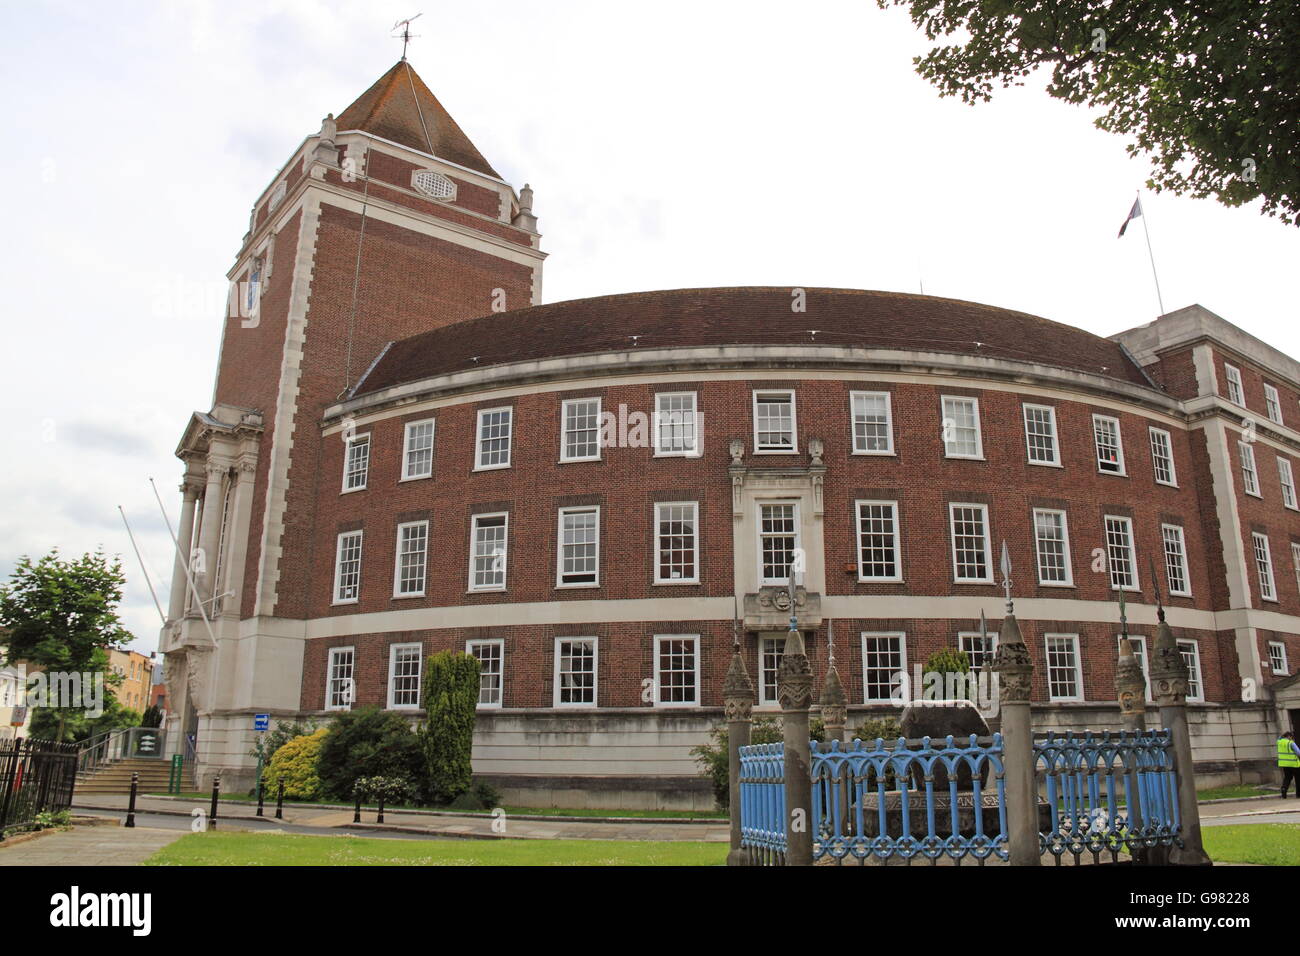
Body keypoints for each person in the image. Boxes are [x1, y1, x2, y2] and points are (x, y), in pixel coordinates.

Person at [1278, 730, 1300, 798]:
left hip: (1284, 764)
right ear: (1289, 736)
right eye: (1291, 737)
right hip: (1294, 764)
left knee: (1287, 778)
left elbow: (1279, 738)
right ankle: (1298, 794)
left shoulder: (1279, 742)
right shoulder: (1291, 743)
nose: (1292, 738)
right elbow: (1298, 752)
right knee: (1298, 779)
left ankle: (1284, 790)